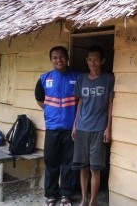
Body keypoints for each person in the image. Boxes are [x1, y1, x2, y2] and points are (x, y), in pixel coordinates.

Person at [35, 46, 79, 206]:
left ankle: (66, 195)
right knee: (51, 161)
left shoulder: (77, 76)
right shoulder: (44, 78)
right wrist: (51, 112)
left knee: (69, 163)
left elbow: (81, 101)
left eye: (61, 57)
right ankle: (51, 195)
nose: (58, 60)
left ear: (67, 58)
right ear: (51, 60)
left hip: (70, 128)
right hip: (52, 127)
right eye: (55, 57)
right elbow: (40, 99)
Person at [71, 45, 114, 206]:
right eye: (90, 60)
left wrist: (108, 127)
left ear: (102, 61)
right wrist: (75, 125)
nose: (93, 63)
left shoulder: (109, 78)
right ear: (86, 61)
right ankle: (83, 199)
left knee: (94, 168)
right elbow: (80, 102)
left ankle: (93, 201)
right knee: (83, 167)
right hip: (82, 128)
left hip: (98, 129)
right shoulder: (81, 79)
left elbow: (110, 104)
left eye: (96, 59)